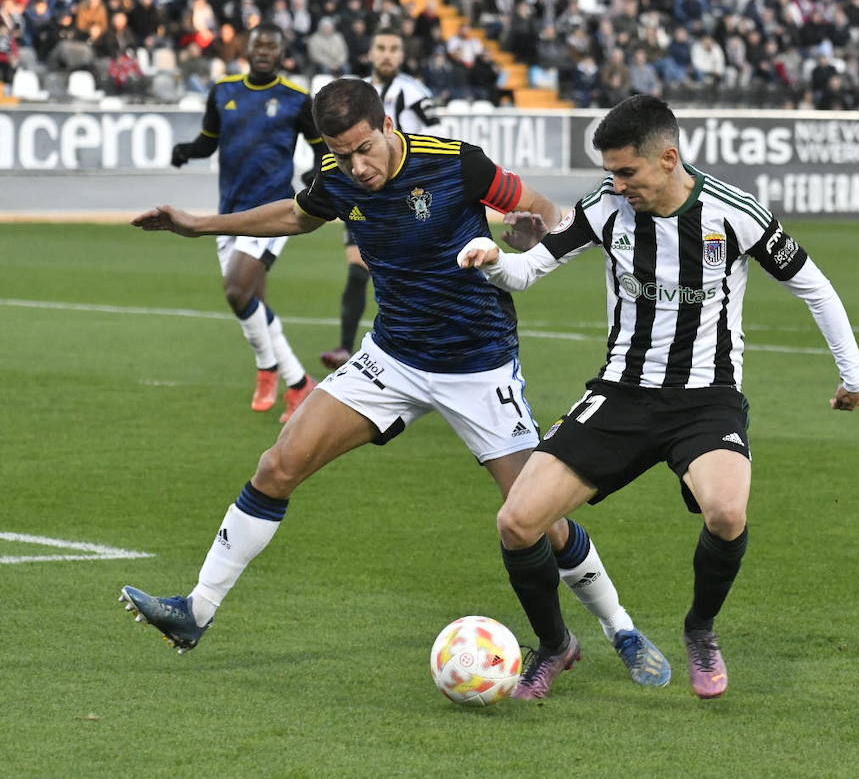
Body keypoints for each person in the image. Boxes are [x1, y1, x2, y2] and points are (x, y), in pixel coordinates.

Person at [121, 79, 671, 688]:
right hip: (393, 359)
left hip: (479, 365)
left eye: (364, 149)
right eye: (340, 152)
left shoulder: (456, 163)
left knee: (536, 516)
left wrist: (520, 236)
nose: (357, 166)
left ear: (387, 126)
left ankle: (619, 627)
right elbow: (296, 215)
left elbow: (543, 213)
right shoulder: (335, 175)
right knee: (279, 465)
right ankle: (195, 611)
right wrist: (200, 225)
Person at [457, 94, 859, 700]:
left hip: (706, 399)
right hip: (621, 393)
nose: (617, 185)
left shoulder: (736, 214)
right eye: (610, 173)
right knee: (517, 522)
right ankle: (555, 645)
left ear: (668, 159)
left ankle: (700, 629)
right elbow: (526, 271)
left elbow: (814, 285)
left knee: (727, 514)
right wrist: (493, 260)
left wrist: (852, 375)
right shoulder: (602, 211)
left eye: (627, 172)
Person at [169, 24, 323, 422]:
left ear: (282, 53)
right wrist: (185, 151)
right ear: (247, 49)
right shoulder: (224, 91)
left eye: (272, 46)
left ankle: (267, 368)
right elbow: (208, 141)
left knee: (237, 291)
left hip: (273, 214)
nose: (264, 51)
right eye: (258, 45)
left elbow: (324, 151)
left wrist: (311, 182)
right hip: (230, 213)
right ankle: (300, 384)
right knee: (253, 303)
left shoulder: (296, 99)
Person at [318, 28, 440, 372]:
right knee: (358, 272)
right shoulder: (352, 94)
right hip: (361, 195)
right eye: (381, 48)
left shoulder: (414, 93)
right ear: (370, 53)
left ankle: (425, 350)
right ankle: (345, 346)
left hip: (404, 199)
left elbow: (435, 140)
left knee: (410, 276)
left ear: (402, 55)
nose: (387, 54)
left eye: (394, 49)